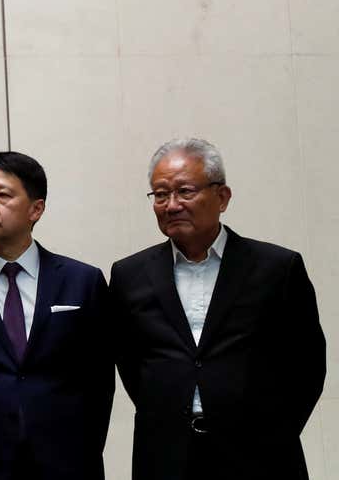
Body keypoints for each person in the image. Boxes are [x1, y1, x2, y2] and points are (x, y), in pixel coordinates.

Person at [109, 138, 324, 480]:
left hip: (260, 455)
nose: (172, 204)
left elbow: (307, 364)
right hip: (166, 455)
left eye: (185, 191)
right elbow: (132, 364)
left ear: (222, 197)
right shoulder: (129, 275)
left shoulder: (276, 268)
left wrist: (273, 431)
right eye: (160, 194)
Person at [0, 151, 112, 480]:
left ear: (36, 208)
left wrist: (86, 448)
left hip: (66, 459)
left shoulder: (82, 281)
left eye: (3, 195)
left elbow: (100, 380)